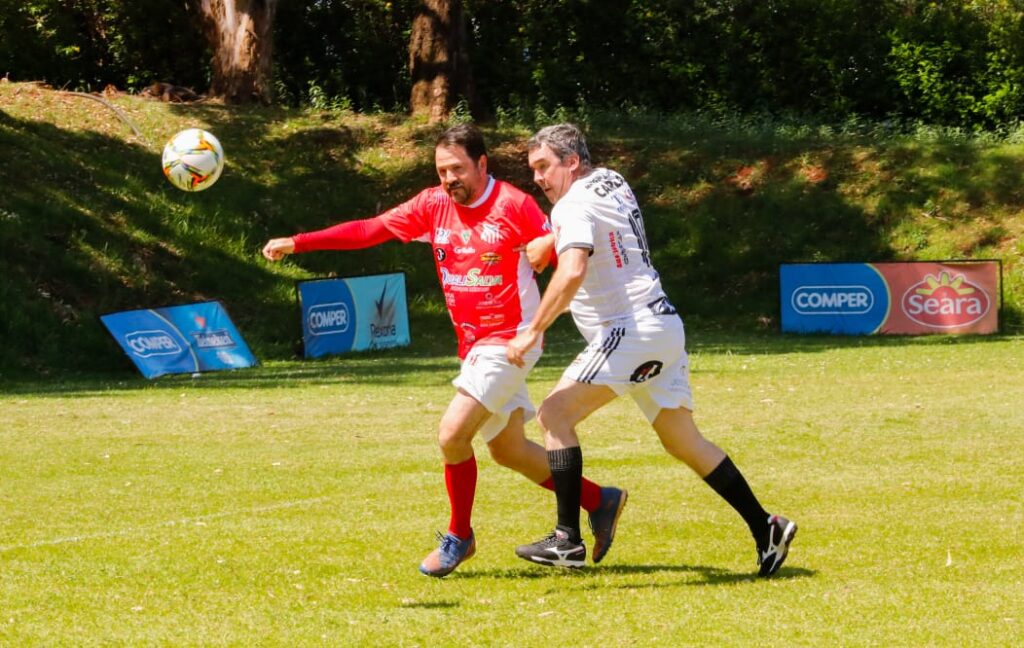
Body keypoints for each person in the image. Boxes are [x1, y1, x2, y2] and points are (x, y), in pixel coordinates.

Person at [262, 124, 626, 578]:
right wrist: (300, 242)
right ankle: (600, 499)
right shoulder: (432, 205)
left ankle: (459, 536)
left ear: (482, 164)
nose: (449, 179)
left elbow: (568, 247)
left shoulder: (514, 205)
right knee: (509, 450)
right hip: (472, 347)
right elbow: (370, 230)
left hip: (510, 341)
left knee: (452, 435)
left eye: (457, 169)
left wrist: (550, 247)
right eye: (441, 171)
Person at [507, 123, 797, 576]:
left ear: (572, 162)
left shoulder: (571, 205)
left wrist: (533, 329)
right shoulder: (610, 180)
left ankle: (567, 540)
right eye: (533, 170)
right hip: (663, 325)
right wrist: (550, 238)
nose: (538, 178)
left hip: (630, 330)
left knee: (554, 415)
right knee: (682, 440)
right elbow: (598, 225)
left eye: (544, 166)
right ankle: (767, 528)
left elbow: (573, 269)